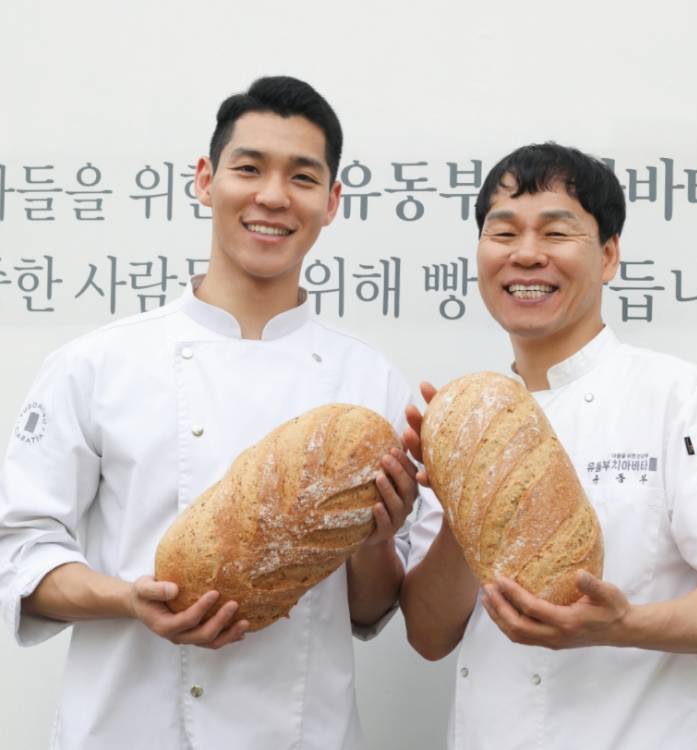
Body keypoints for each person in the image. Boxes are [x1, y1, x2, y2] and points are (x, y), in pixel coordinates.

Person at [0, 76, 417, 750]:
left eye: (302, 177)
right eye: (249, 168)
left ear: (332, 201)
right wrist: (129, 598)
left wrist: (373, 544)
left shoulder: (371, 384)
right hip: (126, 731)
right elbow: (19, 552)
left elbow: (368, 611)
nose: (273, 196)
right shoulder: (97, 363)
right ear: (204, 179)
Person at [400, 143, 697, 750]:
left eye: (556, 232)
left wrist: (623, 625)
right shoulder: (462, 422)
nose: (526, 254)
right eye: (503, 232)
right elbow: (429, 638)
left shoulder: (678, 397)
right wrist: (466, 503)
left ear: (608, 255)